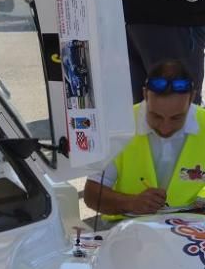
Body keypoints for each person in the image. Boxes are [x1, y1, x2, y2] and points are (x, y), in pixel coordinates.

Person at [83, 60, 205, 218]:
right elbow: (92, 194)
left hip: (193, 227)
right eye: (156, 116)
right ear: (145, 95)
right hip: (130, 225)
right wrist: (131, 203)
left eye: (176, 118)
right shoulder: (119, 125)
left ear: (192, 98)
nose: (165, 128)